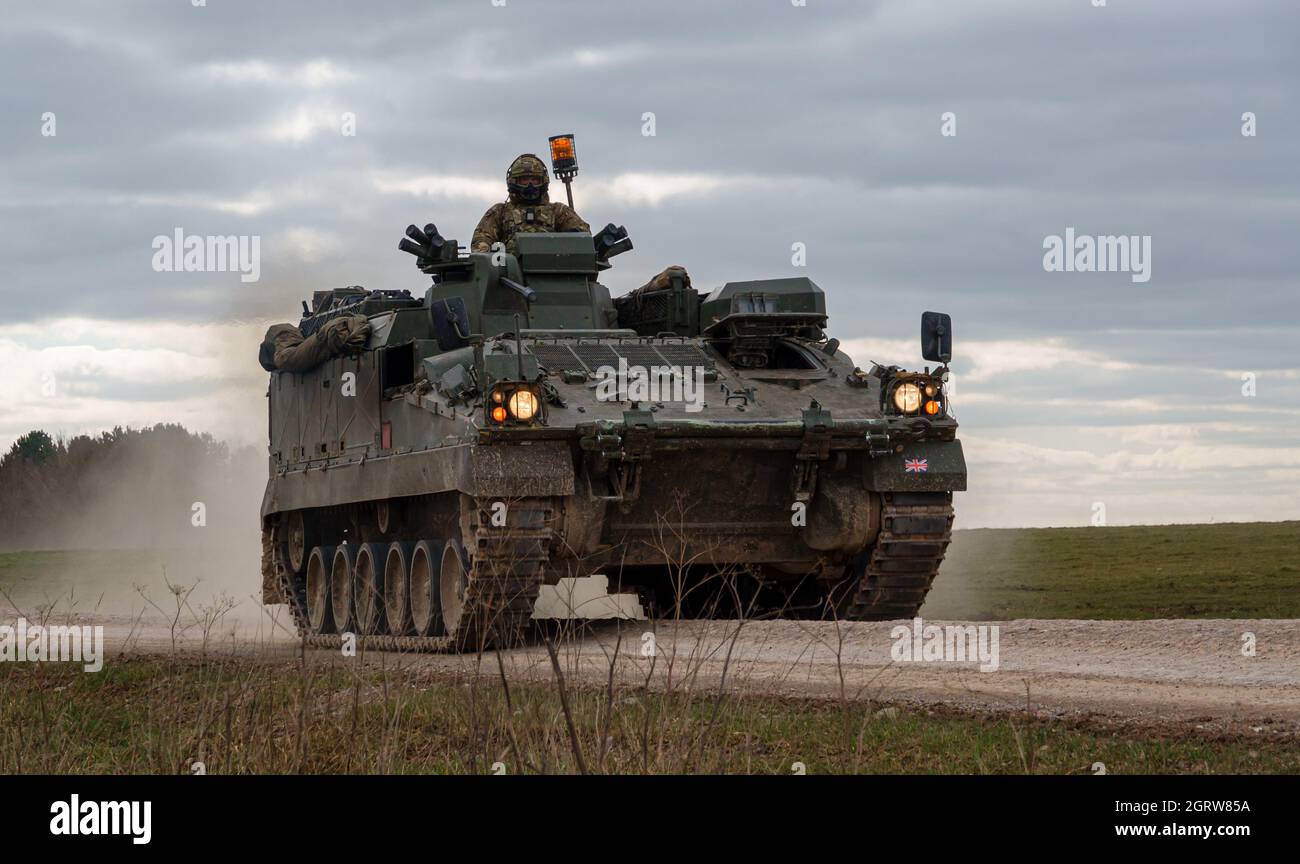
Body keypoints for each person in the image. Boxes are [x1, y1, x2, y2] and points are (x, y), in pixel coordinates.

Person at [471, 154, 590, 256]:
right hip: (509, 275)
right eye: (525, 180)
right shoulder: (500, 211)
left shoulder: (558, 211)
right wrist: (489, 258)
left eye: (534, 179)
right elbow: (481, 239)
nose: (530, 185)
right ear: (514, 182)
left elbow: (583, 237)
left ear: (543, 181)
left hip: (554, 273)